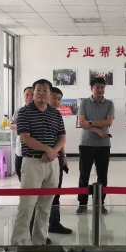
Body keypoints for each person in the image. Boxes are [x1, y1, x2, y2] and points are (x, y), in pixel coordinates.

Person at [10, 79, 66, 246]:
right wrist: (48, 149)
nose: (41, 93)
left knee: (45, 206)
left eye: (45, 90)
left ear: (49, 94)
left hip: (52, 164)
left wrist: (53, 151)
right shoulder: (24, 112)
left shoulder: (55, 113)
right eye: (38, 90)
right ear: (33, 93)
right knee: (26, 206)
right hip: (32, 163)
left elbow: (62, 137)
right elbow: (25, 138)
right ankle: (19, 242)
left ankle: (40, 241)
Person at [76, 77, 115, 215]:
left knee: (102, 175)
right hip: (86, 144)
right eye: (97, 87)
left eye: (102, 87)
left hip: (103, 145)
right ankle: (82, 203)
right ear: (91, 88)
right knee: (84, 174)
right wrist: (98, 130)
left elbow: (108, 122)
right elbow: (81, 123)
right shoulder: (84, 103)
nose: (100, 90)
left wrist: (90, 123)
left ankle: (100, 203)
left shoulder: (109, 104)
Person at [47, 87, 73, 235]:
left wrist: (63, 156)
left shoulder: (56, 114)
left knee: (56, 192)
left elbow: (61, 137)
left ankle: (54, 223)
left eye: (59, 99)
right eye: (54, 97)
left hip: (56, 157)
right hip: (41, 159)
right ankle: (39, 229)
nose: (57, 101)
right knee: (41, 195)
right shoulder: (36, 113)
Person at [10, 86, 34, 181]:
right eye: (27, 95)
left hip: (34, 148)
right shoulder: (19, 110)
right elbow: (12, 125)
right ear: (23, 96)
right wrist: (23, 125)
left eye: (32, 95)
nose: (29, 97)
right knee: (19, 170)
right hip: (20, 147)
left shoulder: (39, 111)